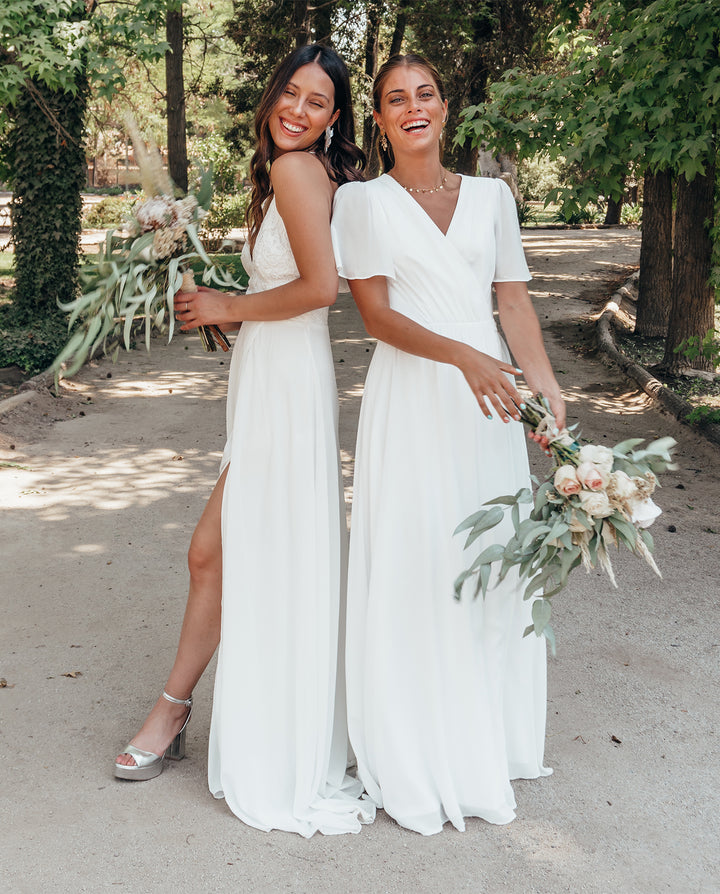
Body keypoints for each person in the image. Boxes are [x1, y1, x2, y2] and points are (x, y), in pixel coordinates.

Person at [114, 44, 374, 838]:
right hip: (273, 374)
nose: (298, 110)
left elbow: (322, 291)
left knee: (211, 550)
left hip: (288, 387)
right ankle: (185, 709)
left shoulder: (299, 172)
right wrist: (233, 315)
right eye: (290, 93)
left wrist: (231, 306)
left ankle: (172, 710)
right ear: (271, 98)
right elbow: (285, 288)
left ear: (335, 120)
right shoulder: (286, 172)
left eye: (318, 103)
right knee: (230, 551)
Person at [331, 54, 567, 835]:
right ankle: (412, 747)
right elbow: (378, 318)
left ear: (444, 106)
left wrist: (546, 387)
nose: (413, 107)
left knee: (489, 558)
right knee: (417, 558)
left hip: (489, 406)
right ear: (379, 119)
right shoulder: (363, 202)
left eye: (424, 94)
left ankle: (482, 741)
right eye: (395, 99)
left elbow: (512, 303)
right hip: (414, 394)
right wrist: (466, 356)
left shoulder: (493, 197)